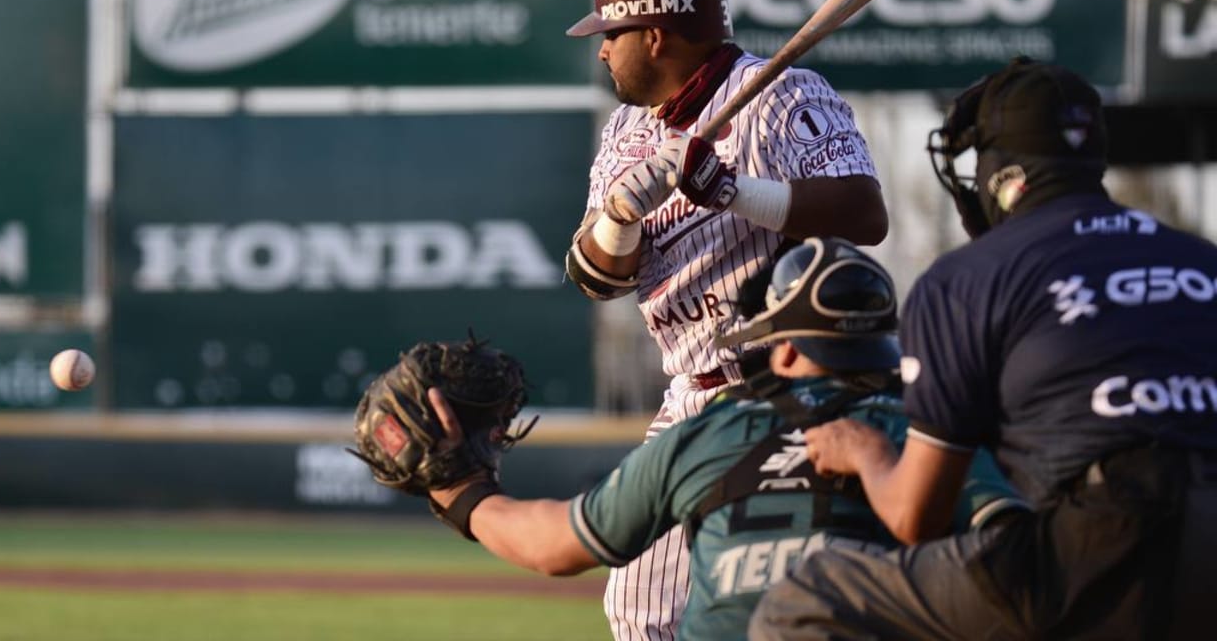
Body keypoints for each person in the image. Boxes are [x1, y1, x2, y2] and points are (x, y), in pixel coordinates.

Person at [750, 58, 1217, 640]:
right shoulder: (1201, 260)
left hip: (1095, 546)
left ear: (1000, 172)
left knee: (804, 603)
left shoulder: (967, 279)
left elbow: (915, 516)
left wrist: (868, 453)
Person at [419, 238, 1022, 640]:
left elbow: (555, 544)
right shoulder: (923, 434)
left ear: (782, 348)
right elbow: (1019, 559)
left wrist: (461, 492)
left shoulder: (712, 429)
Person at [562, 0, 888, 639]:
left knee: (797, 605)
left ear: (655, 34)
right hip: (694, 390)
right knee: (640, 609)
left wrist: (736, 192)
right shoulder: (625, 131)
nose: (601, 52)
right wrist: (620, 220)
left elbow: (866, 213)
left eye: (610, 35)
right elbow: (593, 277)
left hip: (801, 391)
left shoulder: (785, 93)